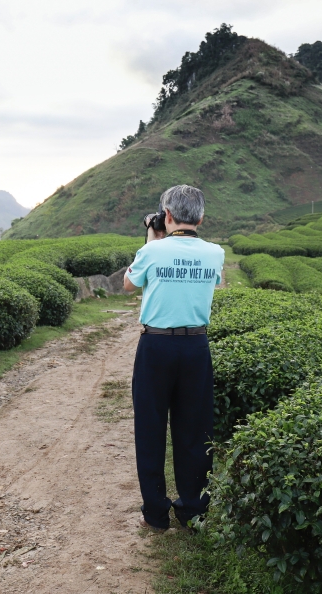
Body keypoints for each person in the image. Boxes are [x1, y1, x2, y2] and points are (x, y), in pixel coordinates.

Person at [123, 184, 225, 531]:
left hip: (155, 346)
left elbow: (128, 285)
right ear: (201, 218)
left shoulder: (152, 251)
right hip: (196, 346)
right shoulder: (215, 253)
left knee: (150, 428)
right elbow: (215, 284)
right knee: (195, 429)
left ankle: (155, 512)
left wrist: (151, 240)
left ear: (166, 215)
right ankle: (193, 510)